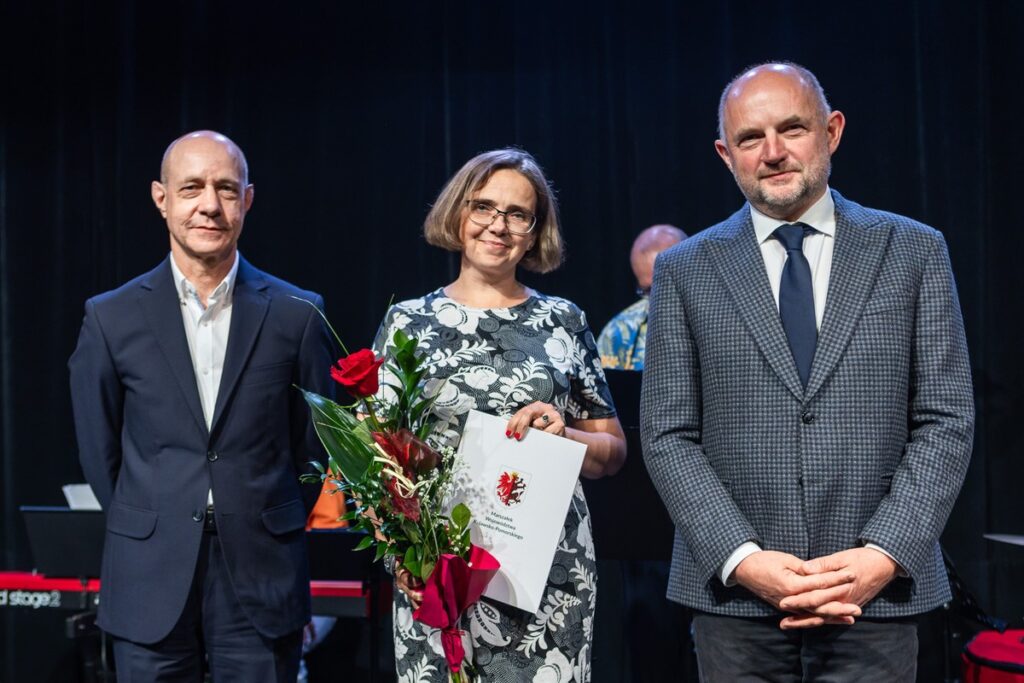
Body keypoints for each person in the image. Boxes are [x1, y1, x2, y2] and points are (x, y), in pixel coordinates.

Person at [640, 62, 974, 681]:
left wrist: (882, 554)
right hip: (734, 599)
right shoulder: (684, 269)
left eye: (792, 129)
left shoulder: (914, 250)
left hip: (875, 596)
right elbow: (667, 435)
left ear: (833, 131)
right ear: (725, 153)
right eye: (749, 138)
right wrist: (742, 559)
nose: (772, 153)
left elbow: (945, 420)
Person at [68, 130, 334, 682]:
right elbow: (100, 451)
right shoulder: (110, 317)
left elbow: (314, 449)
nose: (209, 205)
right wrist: (151, 516)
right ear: (162, 199)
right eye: (191, 188)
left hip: (261, 574)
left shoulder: (298, 313)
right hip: (148, 573)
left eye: (226, 189)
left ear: (248, 200)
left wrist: (267, 514)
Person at [373, 148, 627, 681]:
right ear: (458, 214)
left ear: (535, 232)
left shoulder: (564, 320)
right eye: (484, 207)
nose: (498, 225)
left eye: (518, 214)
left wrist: (567, 436)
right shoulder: (408, 322)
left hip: (551, 576)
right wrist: (399, 550)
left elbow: (613, 452)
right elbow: (372, 457)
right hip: (439, 566)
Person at [597, 224, 686, 370]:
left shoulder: (723, 317)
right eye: (648, 290)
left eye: (667, 285)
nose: (659, 298)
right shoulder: (617, 333)